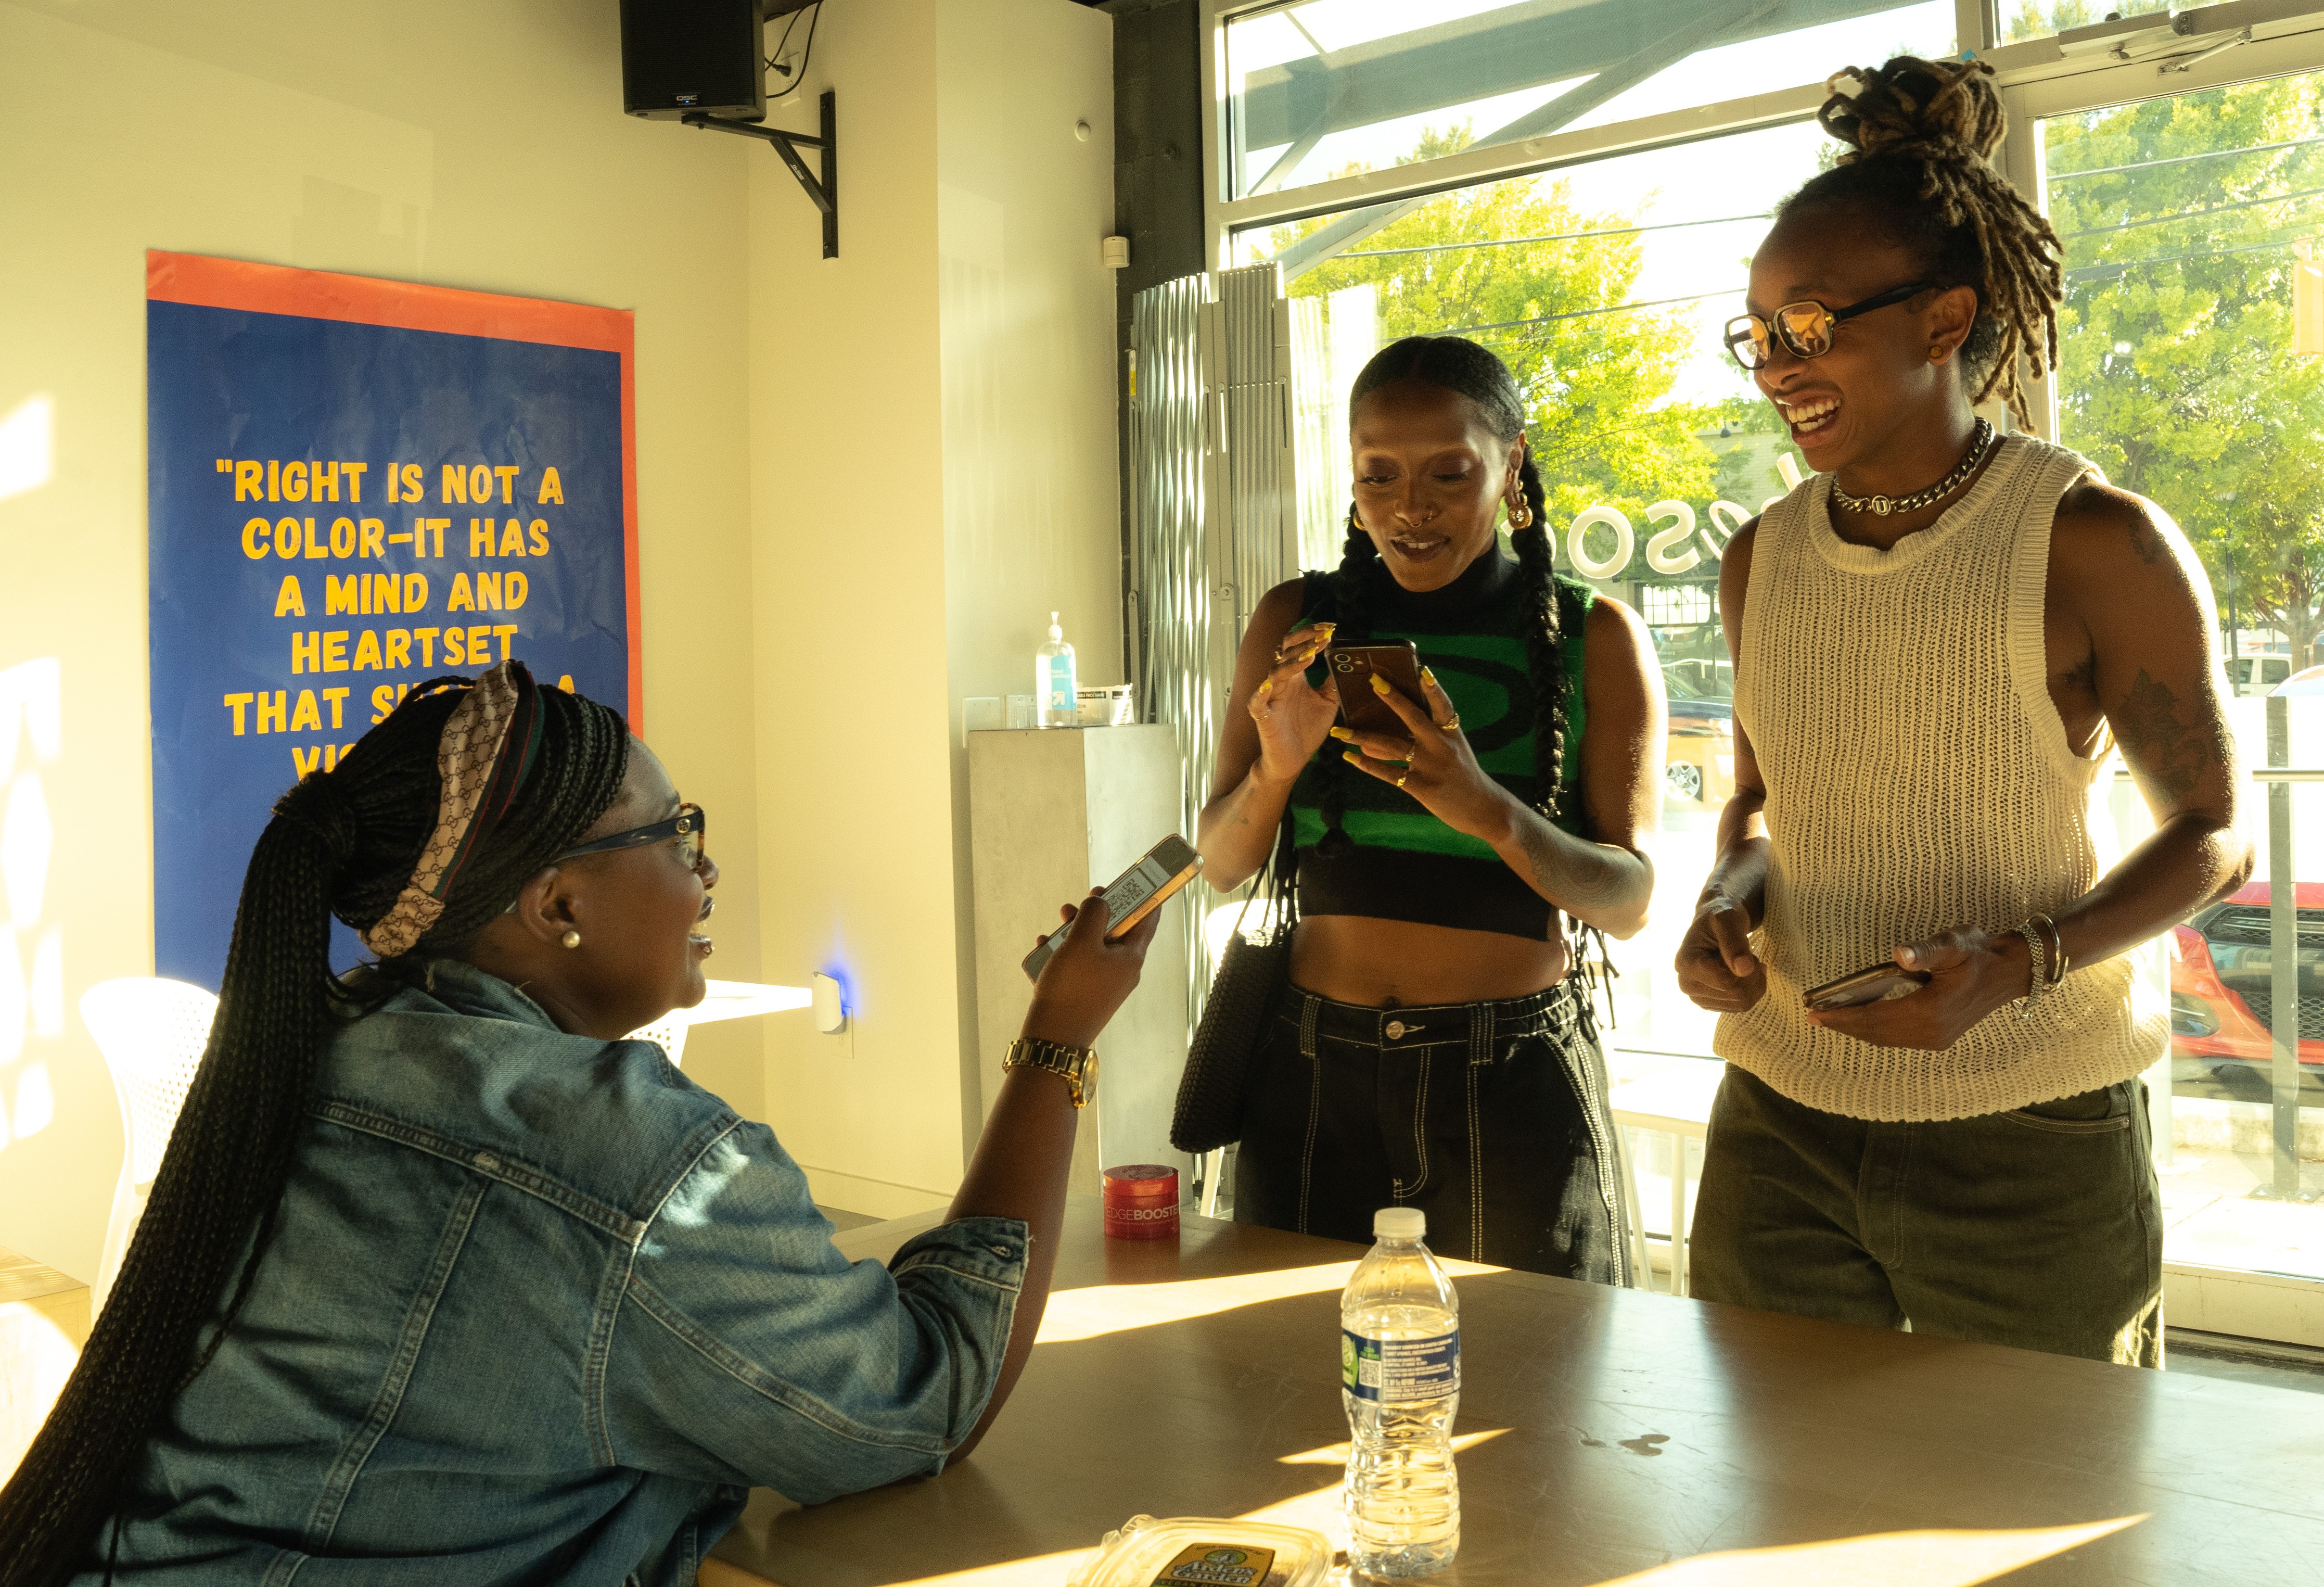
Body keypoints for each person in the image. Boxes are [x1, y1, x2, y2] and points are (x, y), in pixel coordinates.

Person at [0, 659, 1156, 1584]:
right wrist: (1059, 1035)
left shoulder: (306, 1055)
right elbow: (920, 1400)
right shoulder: (634, 1164)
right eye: (675, 833)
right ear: (557, 905)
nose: (705, 875)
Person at [1674, 57, 2253, 1365]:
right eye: (1758, 331)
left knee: (2034, 1535)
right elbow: (1768, 806)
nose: (1775, 364)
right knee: (1772, 1503)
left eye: (1810, 325)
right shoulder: (1758, 555)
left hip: (2031, 1134)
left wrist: (2026, 961)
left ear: (1946, 319)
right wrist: (1726, 900)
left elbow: (2217, 830)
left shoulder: (2094, 540)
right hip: (1780, 1115)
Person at [1198, 336, 1666, 1278]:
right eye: (1378, 476)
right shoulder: (1295, 620)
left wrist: (1487, 808)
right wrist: (1278, 768)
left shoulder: (1591, 634)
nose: (1409, 507)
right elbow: (1217, 858)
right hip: (1312, 1068)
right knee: (1289, 1380)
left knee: (1530, 1391)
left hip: (1512, 1075)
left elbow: (1627, 899)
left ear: (1510, 462)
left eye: (1449, 472)